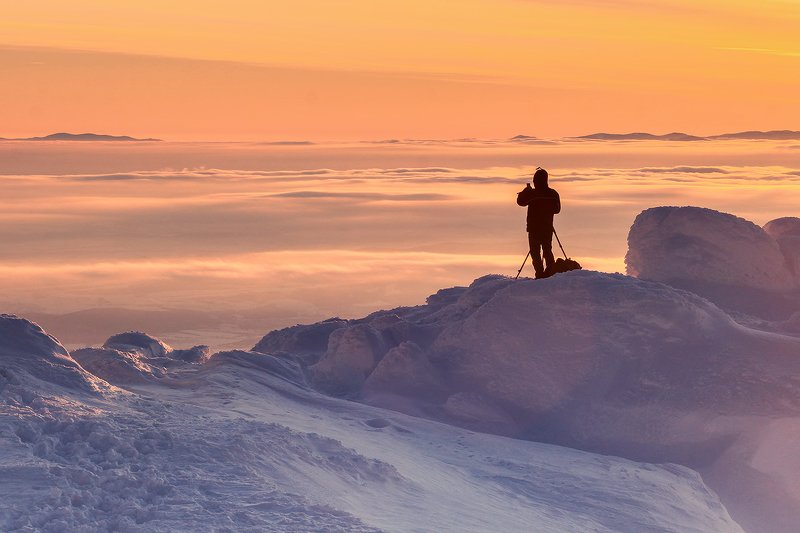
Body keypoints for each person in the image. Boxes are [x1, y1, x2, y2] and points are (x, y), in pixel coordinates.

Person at [517, 167, 561, 278]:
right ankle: (550, 273)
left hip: (534, 228)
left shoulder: (533, 194)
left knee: (535, 253)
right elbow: (557, 210)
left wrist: (525, 191)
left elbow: (520, 202)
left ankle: (540, 274)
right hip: (547, 227)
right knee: (547, 251)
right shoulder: (552, 194)